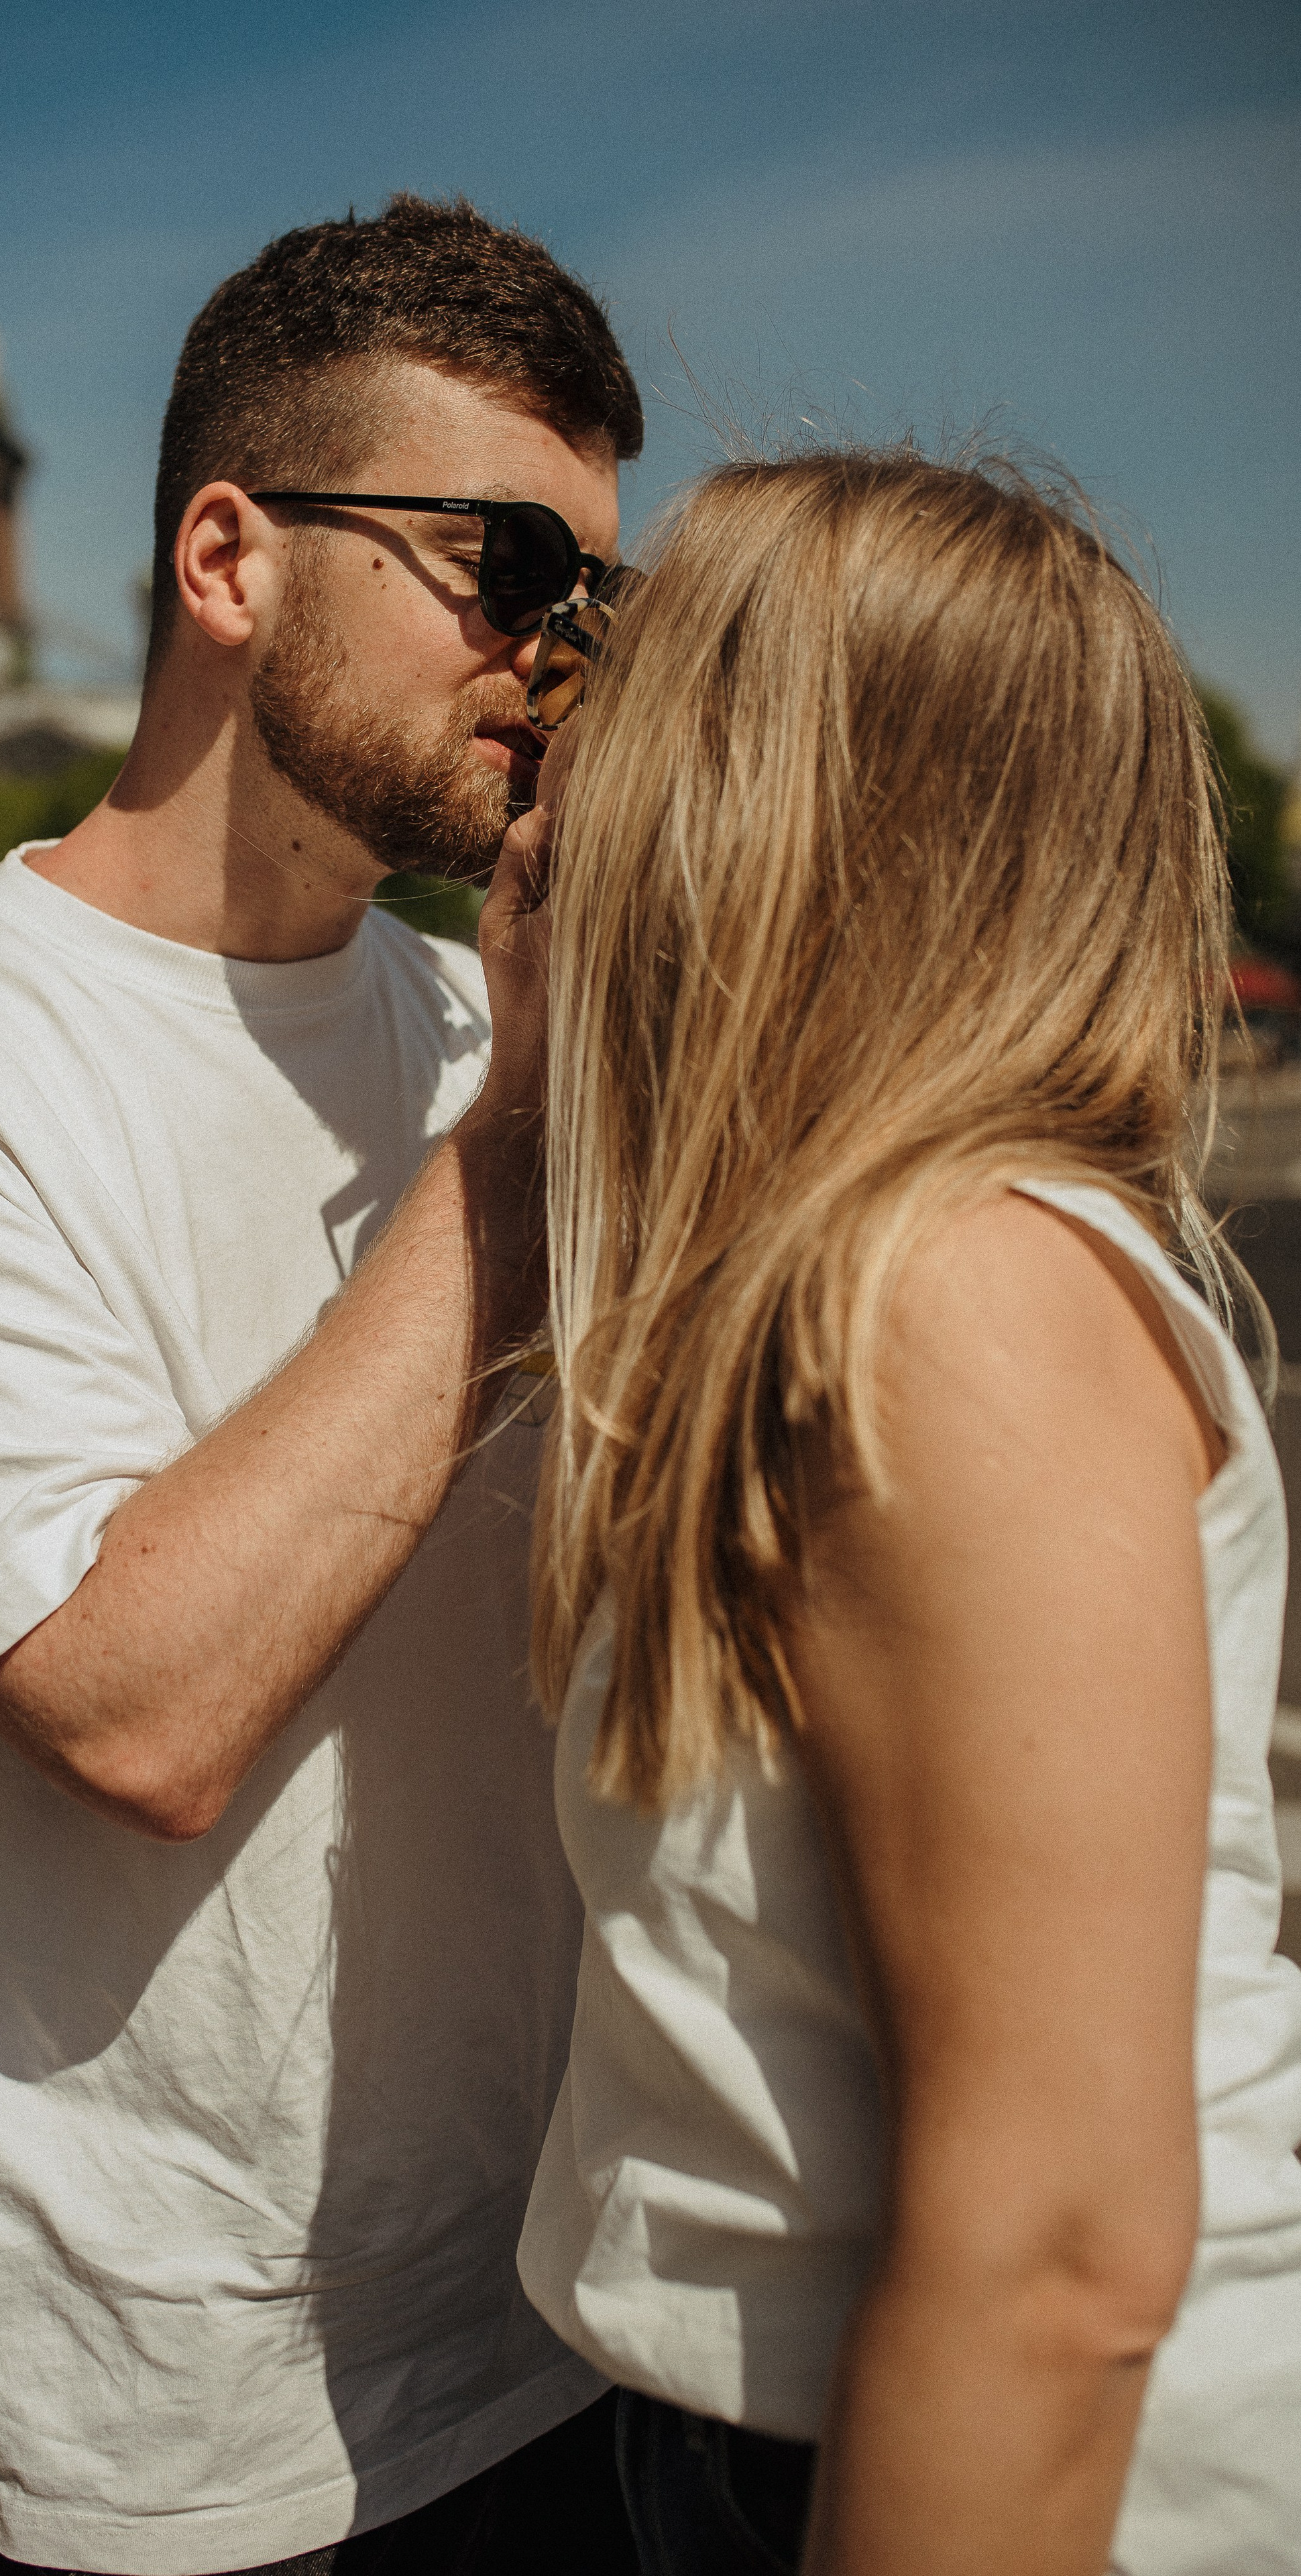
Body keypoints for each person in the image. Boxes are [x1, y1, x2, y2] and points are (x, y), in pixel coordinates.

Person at [0, 196, 644, 2576]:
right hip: (206, 2440)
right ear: (229, 558)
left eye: (600, 597)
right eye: (510, 565)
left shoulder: (480, 1013)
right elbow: (139, 1711)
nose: (558, 655)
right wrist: (517, 1144)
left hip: (581, 2308)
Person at [514, 452, 1301, 2574]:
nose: (553, 755)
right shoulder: (868, 1263)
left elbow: (1057, 2256)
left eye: (621, 687)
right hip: (797, 2424)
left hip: (1013, 2477)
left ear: (784, 807)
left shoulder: (954, 1291)